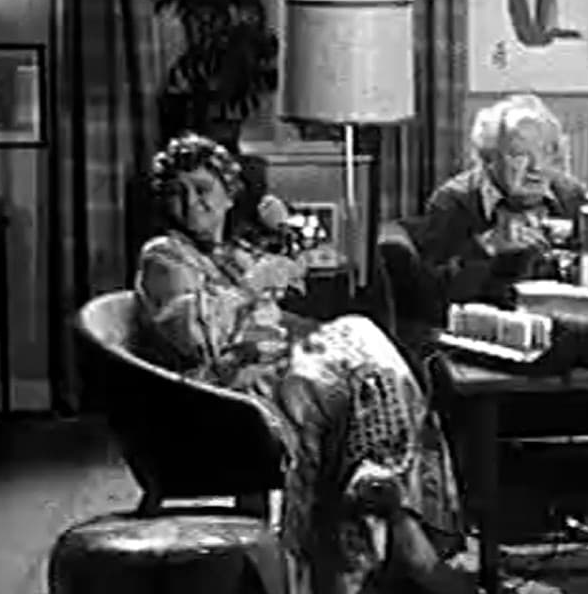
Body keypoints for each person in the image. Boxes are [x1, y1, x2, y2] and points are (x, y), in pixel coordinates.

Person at [132, 133, 474, 594]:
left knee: (363, 351)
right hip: (221, 395)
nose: (192, 203)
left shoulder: (233, 251)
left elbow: (299, 268)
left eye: (202, 189)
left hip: (273, 369)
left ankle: (392, 521)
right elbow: (194, 340)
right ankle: (395, 538)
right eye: (177, 193)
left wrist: (282, 233)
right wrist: (253, 286)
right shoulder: (163, 256)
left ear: (229, 195)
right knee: (357, 380)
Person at [411, 93, 587, 310]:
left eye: (547, 151)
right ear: (487, 159)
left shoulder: (570, 195)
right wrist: (488, 247)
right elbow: (431, 294)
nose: (538, 167)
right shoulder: (454, 201)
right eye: (519, 155)